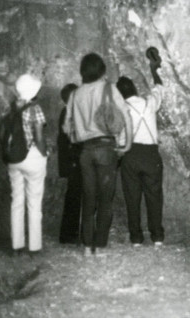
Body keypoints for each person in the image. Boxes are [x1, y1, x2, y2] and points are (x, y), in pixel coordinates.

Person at [63, 53, 132, 256]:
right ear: (102, 70)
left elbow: (67, 127)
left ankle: (86, 246)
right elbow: (126, 117)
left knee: (89, 198)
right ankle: (100, 246)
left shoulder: (75, 94)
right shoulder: (109, 89)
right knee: (105, 199)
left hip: (85, 151)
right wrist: (126, 145)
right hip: (106, 148)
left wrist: (77, 137)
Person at [116, 48, 165, 247]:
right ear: (135, 89)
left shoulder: (121, 110)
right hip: (151, 155)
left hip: (130, 155)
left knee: (132, 197)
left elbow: (120, 139)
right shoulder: (148, 104)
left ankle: (136, 237)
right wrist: (155, 70)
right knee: (154, 196)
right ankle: (157, 237)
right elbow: (159, 89)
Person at [7, 74, 48, 256]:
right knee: (34, 203)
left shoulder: (11, 109)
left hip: (13, 159)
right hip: (31, 158)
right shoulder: (35, 109)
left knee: (16, 201)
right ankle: (34, 247)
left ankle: (16, 246)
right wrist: (45, 152)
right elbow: (39, 138)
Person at [57, 83, 81, 244]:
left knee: (73, 197)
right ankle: (69, 235)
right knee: (74, 197)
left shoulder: (66, 112)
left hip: (72, 161)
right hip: (75, 161)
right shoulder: (70, 113)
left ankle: (69, 234)